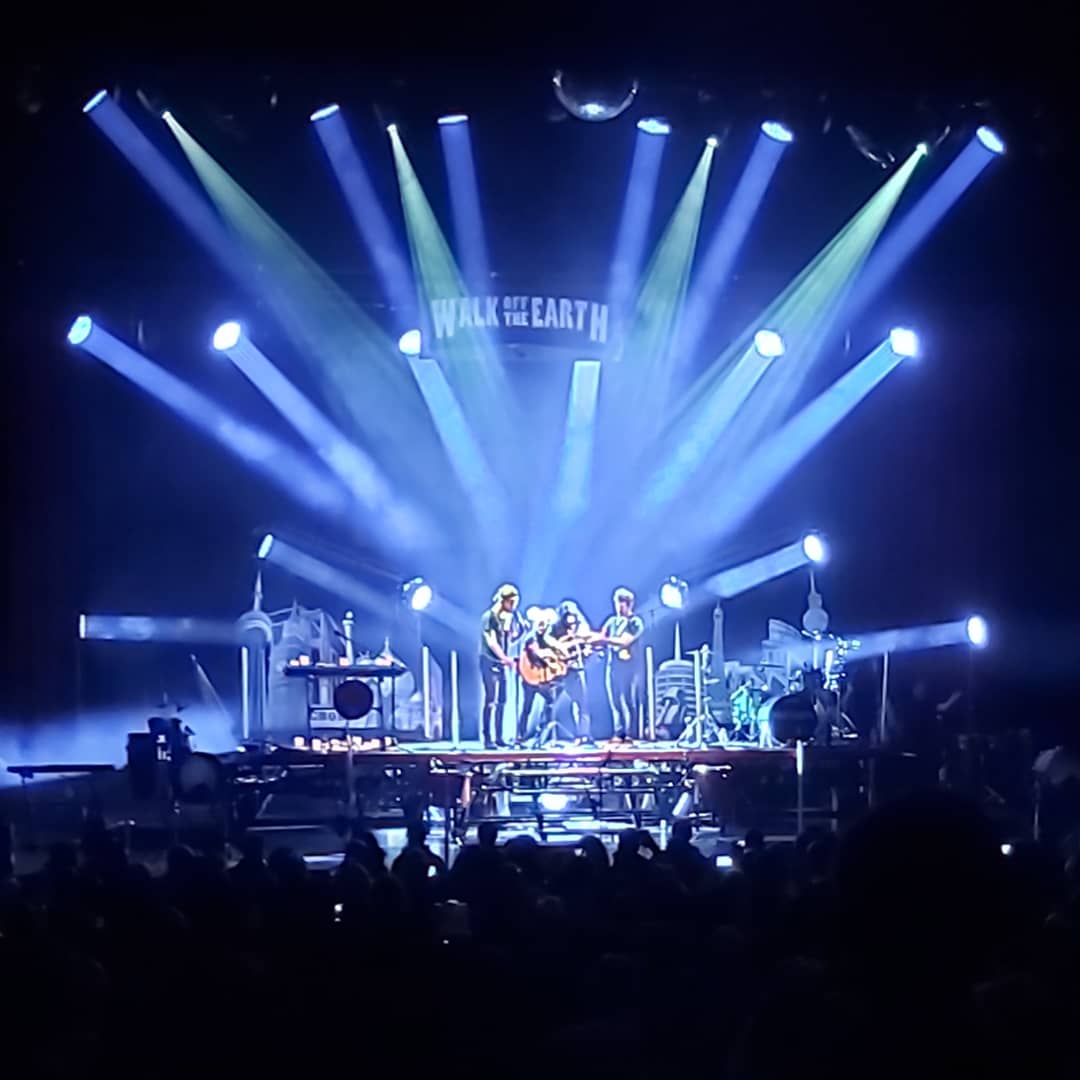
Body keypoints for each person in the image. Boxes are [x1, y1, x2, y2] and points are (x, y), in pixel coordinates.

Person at [479, 584, 525, 748]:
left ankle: (499, 737)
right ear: (503, 600)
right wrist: (505, 658)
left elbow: (509, 640)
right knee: (490, 699)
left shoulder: (507, 618)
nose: (513, 606)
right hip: (489, 660)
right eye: (511, 602)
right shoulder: (489, 617)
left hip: (501, 662)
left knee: (502, 700)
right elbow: (491, 642)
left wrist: (519, 630)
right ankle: (487, 737)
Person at [601, 587, 645, 742]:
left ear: (629, 604)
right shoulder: (611, 622)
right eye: (616, 602)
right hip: (612, 665)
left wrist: (604, 640)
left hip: (630, 666)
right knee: (614, 699)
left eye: (621, 603)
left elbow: (625, 641)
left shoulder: (635, 622)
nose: (618, 606)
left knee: (628, 699)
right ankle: (618, 732)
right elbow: (601, 636)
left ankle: (630, 733)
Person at [516, 607, 565, 743]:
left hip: (541, 679)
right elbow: (537, 653)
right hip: (530, 678)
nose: (542, 627)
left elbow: (555, 650)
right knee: (527, 707)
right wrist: (549, 656)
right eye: (540, 624)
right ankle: (520, 736)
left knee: (551, 701)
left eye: (544, 624)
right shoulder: (531, 638)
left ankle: (542, 732)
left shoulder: (546, 639)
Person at [551, 600, 595, 744]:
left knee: (582, 704)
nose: (571, 627)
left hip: (577, 670)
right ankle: (550, 735)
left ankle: (583, 734)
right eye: (568, 624)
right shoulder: (554, 630)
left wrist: (586, 650)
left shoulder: (581, 629)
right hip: (559, 672)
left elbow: (587, 644)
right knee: (553, 705)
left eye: (573, 623)